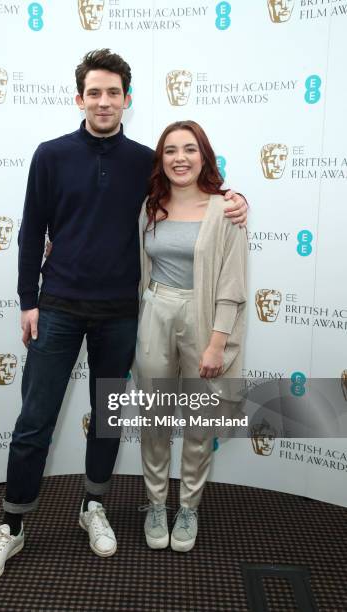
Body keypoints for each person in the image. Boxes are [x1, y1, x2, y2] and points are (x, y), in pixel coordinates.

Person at [0, 49, 247, 585]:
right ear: (80, 98)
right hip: (57, 308)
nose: (103, 101)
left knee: (108, 418)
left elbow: (193, 191)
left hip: (122, 313)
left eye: (113, 93)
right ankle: (10, 526)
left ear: (127, 100)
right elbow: (31, 232)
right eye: (93, 92)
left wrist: (235, 199)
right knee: (35, 420)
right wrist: (28, 299)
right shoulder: (49, 155)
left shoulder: (147, 161)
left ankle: (92, 507)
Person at [136, 120, 247, 552]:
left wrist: (217, 342)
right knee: (155, 419)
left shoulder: (226, 209)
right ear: (160, 160)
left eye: (189, 149)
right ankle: (156, 505)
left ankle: (189, 507)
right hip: (155, 313)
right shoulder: (149, 207)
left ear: (204, 156)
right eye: (169, 151)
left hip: (203, 316)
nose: (179, 158)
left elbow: (232, 284)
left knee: (199, 422)